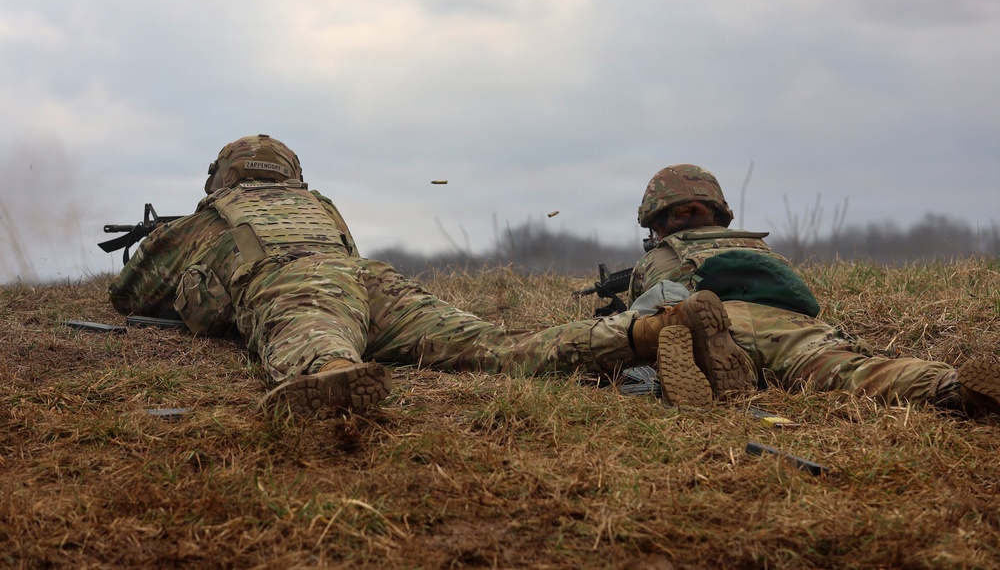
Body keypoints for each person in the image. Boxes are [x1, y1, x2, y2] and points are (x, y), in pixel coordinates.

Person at [107, 135, 740, 419]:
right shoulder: (320, 204)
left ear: (222, 180)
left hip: (295, 286)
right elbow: (340, 263)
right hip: (371, 282)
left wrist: (165, 240)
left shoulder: (212, 216)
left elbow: (130, 292)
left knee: (314, 339)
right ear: (290, 176)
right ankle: (647, 333)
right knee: (494, 347)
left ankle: (330, 378)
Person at [626, 163, 1000, 416]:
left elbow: (641, 318)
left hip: (713, 324)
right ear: (719, 213)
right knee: (860, 373)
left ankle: (716, 373)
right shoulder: (759, 249)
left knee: (660, 342)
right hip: (792, 331)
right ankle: (949, 385)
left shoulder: (657, 259)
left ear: (656, 222)